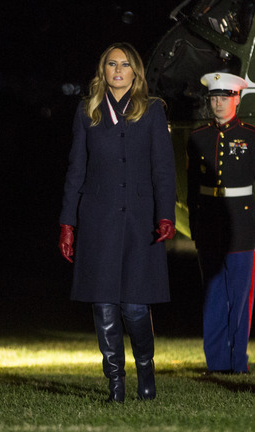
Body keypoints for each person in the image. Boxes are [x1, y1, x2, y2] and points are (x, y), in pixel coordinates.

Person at [58, 42, 176, 403]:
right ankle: (115, 384)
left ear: (135, 71)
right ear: (103, 70)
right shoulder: (87, 112)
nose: (118, 70)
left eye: (125, 64)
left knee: (136, 306)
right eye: (112, 64)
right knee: (104, 304)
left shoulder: (152, 111)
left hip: (141, 222)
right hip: (98, 221)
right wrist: (67, 221)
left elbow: (163, 169)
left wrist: (165, 213)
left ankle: (145, 373)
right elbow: (76, 169)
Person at [187, 73, 255, 375]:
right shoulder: (198, 137)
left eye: (225, 98)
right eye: (213, 98)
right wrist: (194, 225)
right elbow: (192, 185)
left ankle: (237, 362)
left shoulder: (252, 136)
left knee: (239, 297)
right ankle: (217, 363)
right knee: (213, 297)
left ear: (237, 99)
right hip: (209, 223)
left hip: (241, 226)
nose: (218, 104)